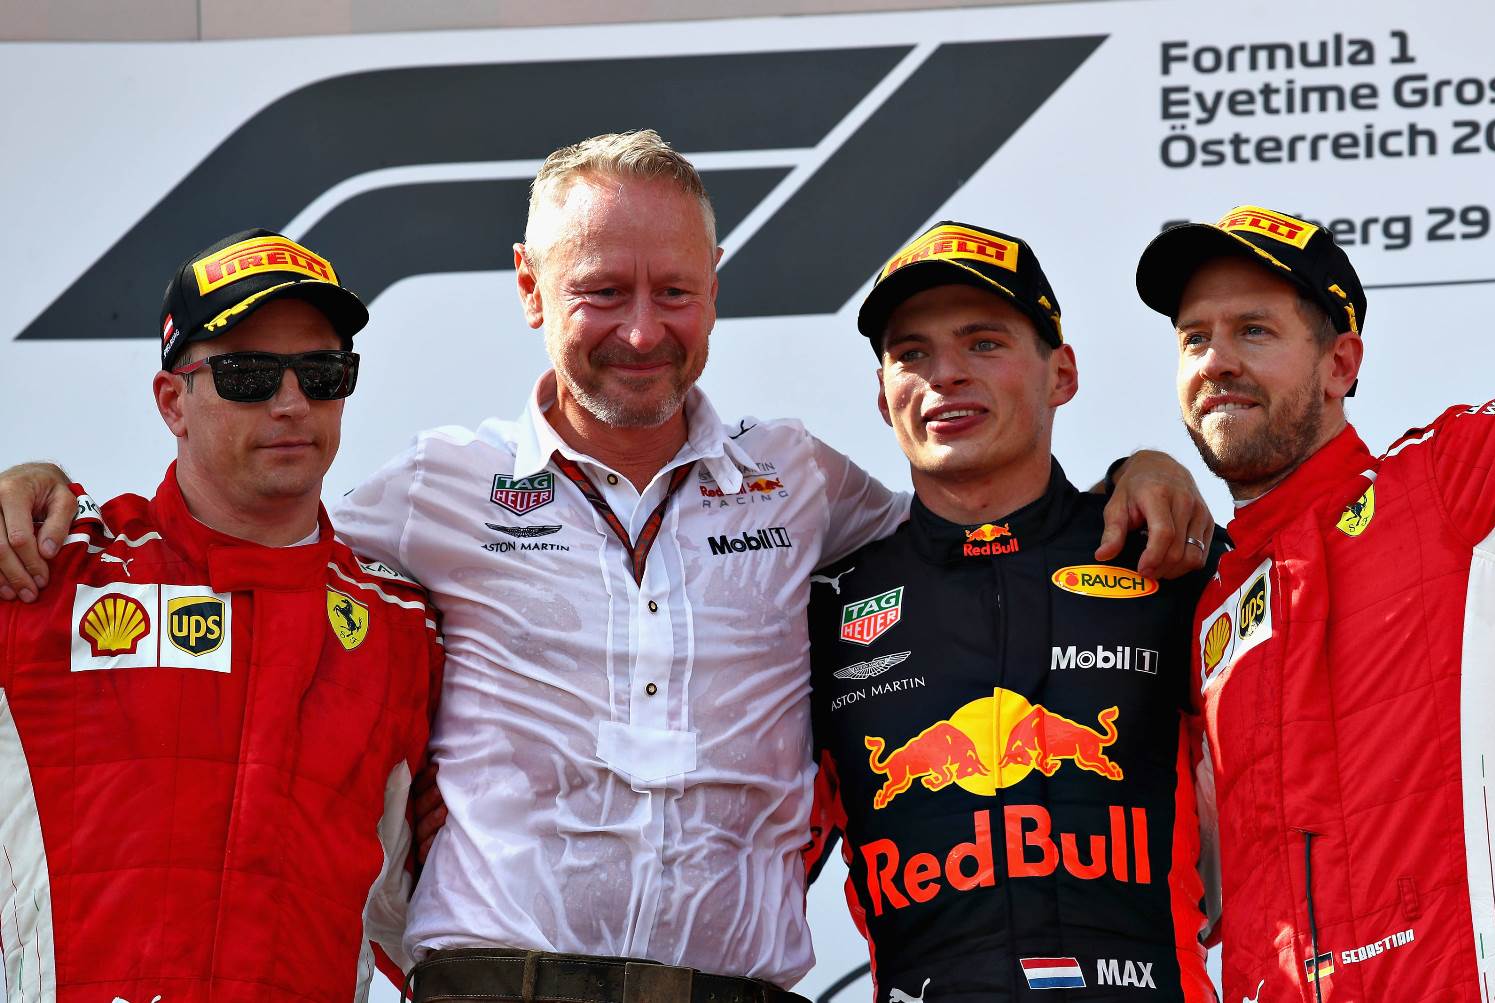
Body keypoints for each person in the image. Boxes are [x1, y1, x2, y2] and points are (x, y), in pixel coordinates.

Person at [0, 132, 1209, 1003]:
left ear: (715, 289)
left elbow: (973, 520)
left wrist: (1144, 469)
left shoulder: (803, 485)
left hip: (736, 990)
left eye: (674, 289)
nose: (642, 328)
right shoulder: (432, 489)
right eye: (600, 291)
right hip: (493, 985)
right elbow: (248, 541)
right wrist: (37, 488)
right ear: (529, 289)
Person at [0, 229, 443, 1002]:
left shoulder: (401, 626)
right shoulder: (49, 569)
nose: (292, 402)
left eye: (322, 371)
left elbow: (443, 917)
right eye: (247, 373)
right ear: (172, 399)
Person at [803, 221, 1219, 1003]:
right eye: (911, 354)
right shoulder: (822, 607)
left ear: (1061, 373)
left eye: (983, 344)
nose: (944, 376)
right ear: (882, 395)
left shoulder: (1169, 555)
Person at [1135, 204, 1495, 1003]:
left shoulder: (1446, 483)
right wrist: (1143, 463)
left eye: (1254, 332)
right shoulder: (1199, 604)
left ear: (1340, 363)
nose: (1217, 361)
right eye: (1194, 338)